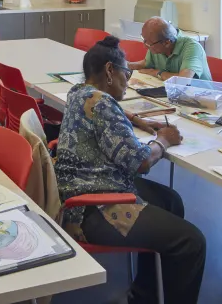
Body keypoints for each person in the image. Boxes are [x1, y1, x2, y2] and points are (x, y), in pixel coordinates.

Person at [55, 36, 205, 304]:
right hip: (93, 207)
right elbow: (141, 162)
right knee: (191, 241)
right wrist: (164, 140)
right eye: (127, 73)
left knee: (171, 201)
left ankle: (147, 293)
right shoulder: (102, 104)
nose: (129, 79)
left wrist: (135, 119)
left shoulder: (79, 91)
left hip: (82, 185)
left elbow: (104, 114)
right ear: (111, 70)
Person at [130, 17, 211, 80]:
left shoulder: (192, 47)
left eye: (148, 43)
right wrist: (124, 64)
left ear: (167, 43)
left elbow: (183, 80)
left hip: (202, 97)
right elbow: (145, 64)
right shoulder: (156, 43)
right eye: (144, 39)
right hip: (171, 94)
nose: (145, 46)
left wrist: (157, 73)